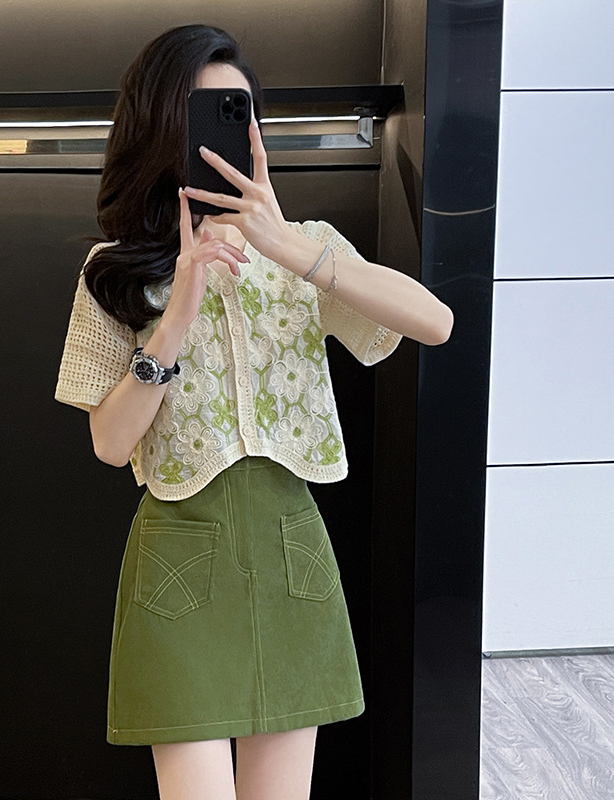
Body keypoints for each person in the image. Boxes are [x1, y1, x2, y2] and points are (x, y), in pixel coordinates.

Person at [54, 23, 453, 800]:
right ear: (159, 126)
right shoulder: (115, 270)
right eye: (200, 115)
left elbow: (434, 322)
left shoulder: (305, 250)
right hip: (179, 563)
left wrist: (293, 249)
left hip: (290, 552)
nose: (221, 138)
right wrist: (176, 317)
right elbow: (109, 441)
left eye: (237, 114)